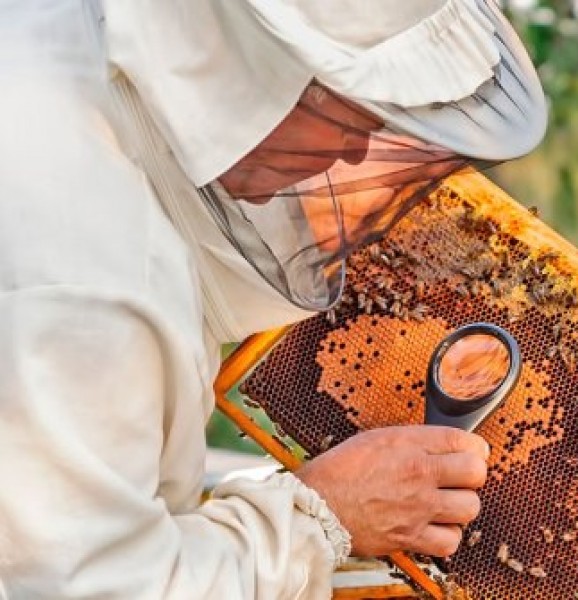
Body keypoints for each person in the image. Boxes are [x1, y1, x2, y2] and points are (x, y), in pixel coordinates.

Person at [0, 1, 547, 598]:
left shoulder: (58, 46)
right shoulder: (86, 283)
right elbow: (91, 587)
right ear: (261, 63)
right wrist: (322, 518)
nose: (357, 152)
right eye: (347, 111)